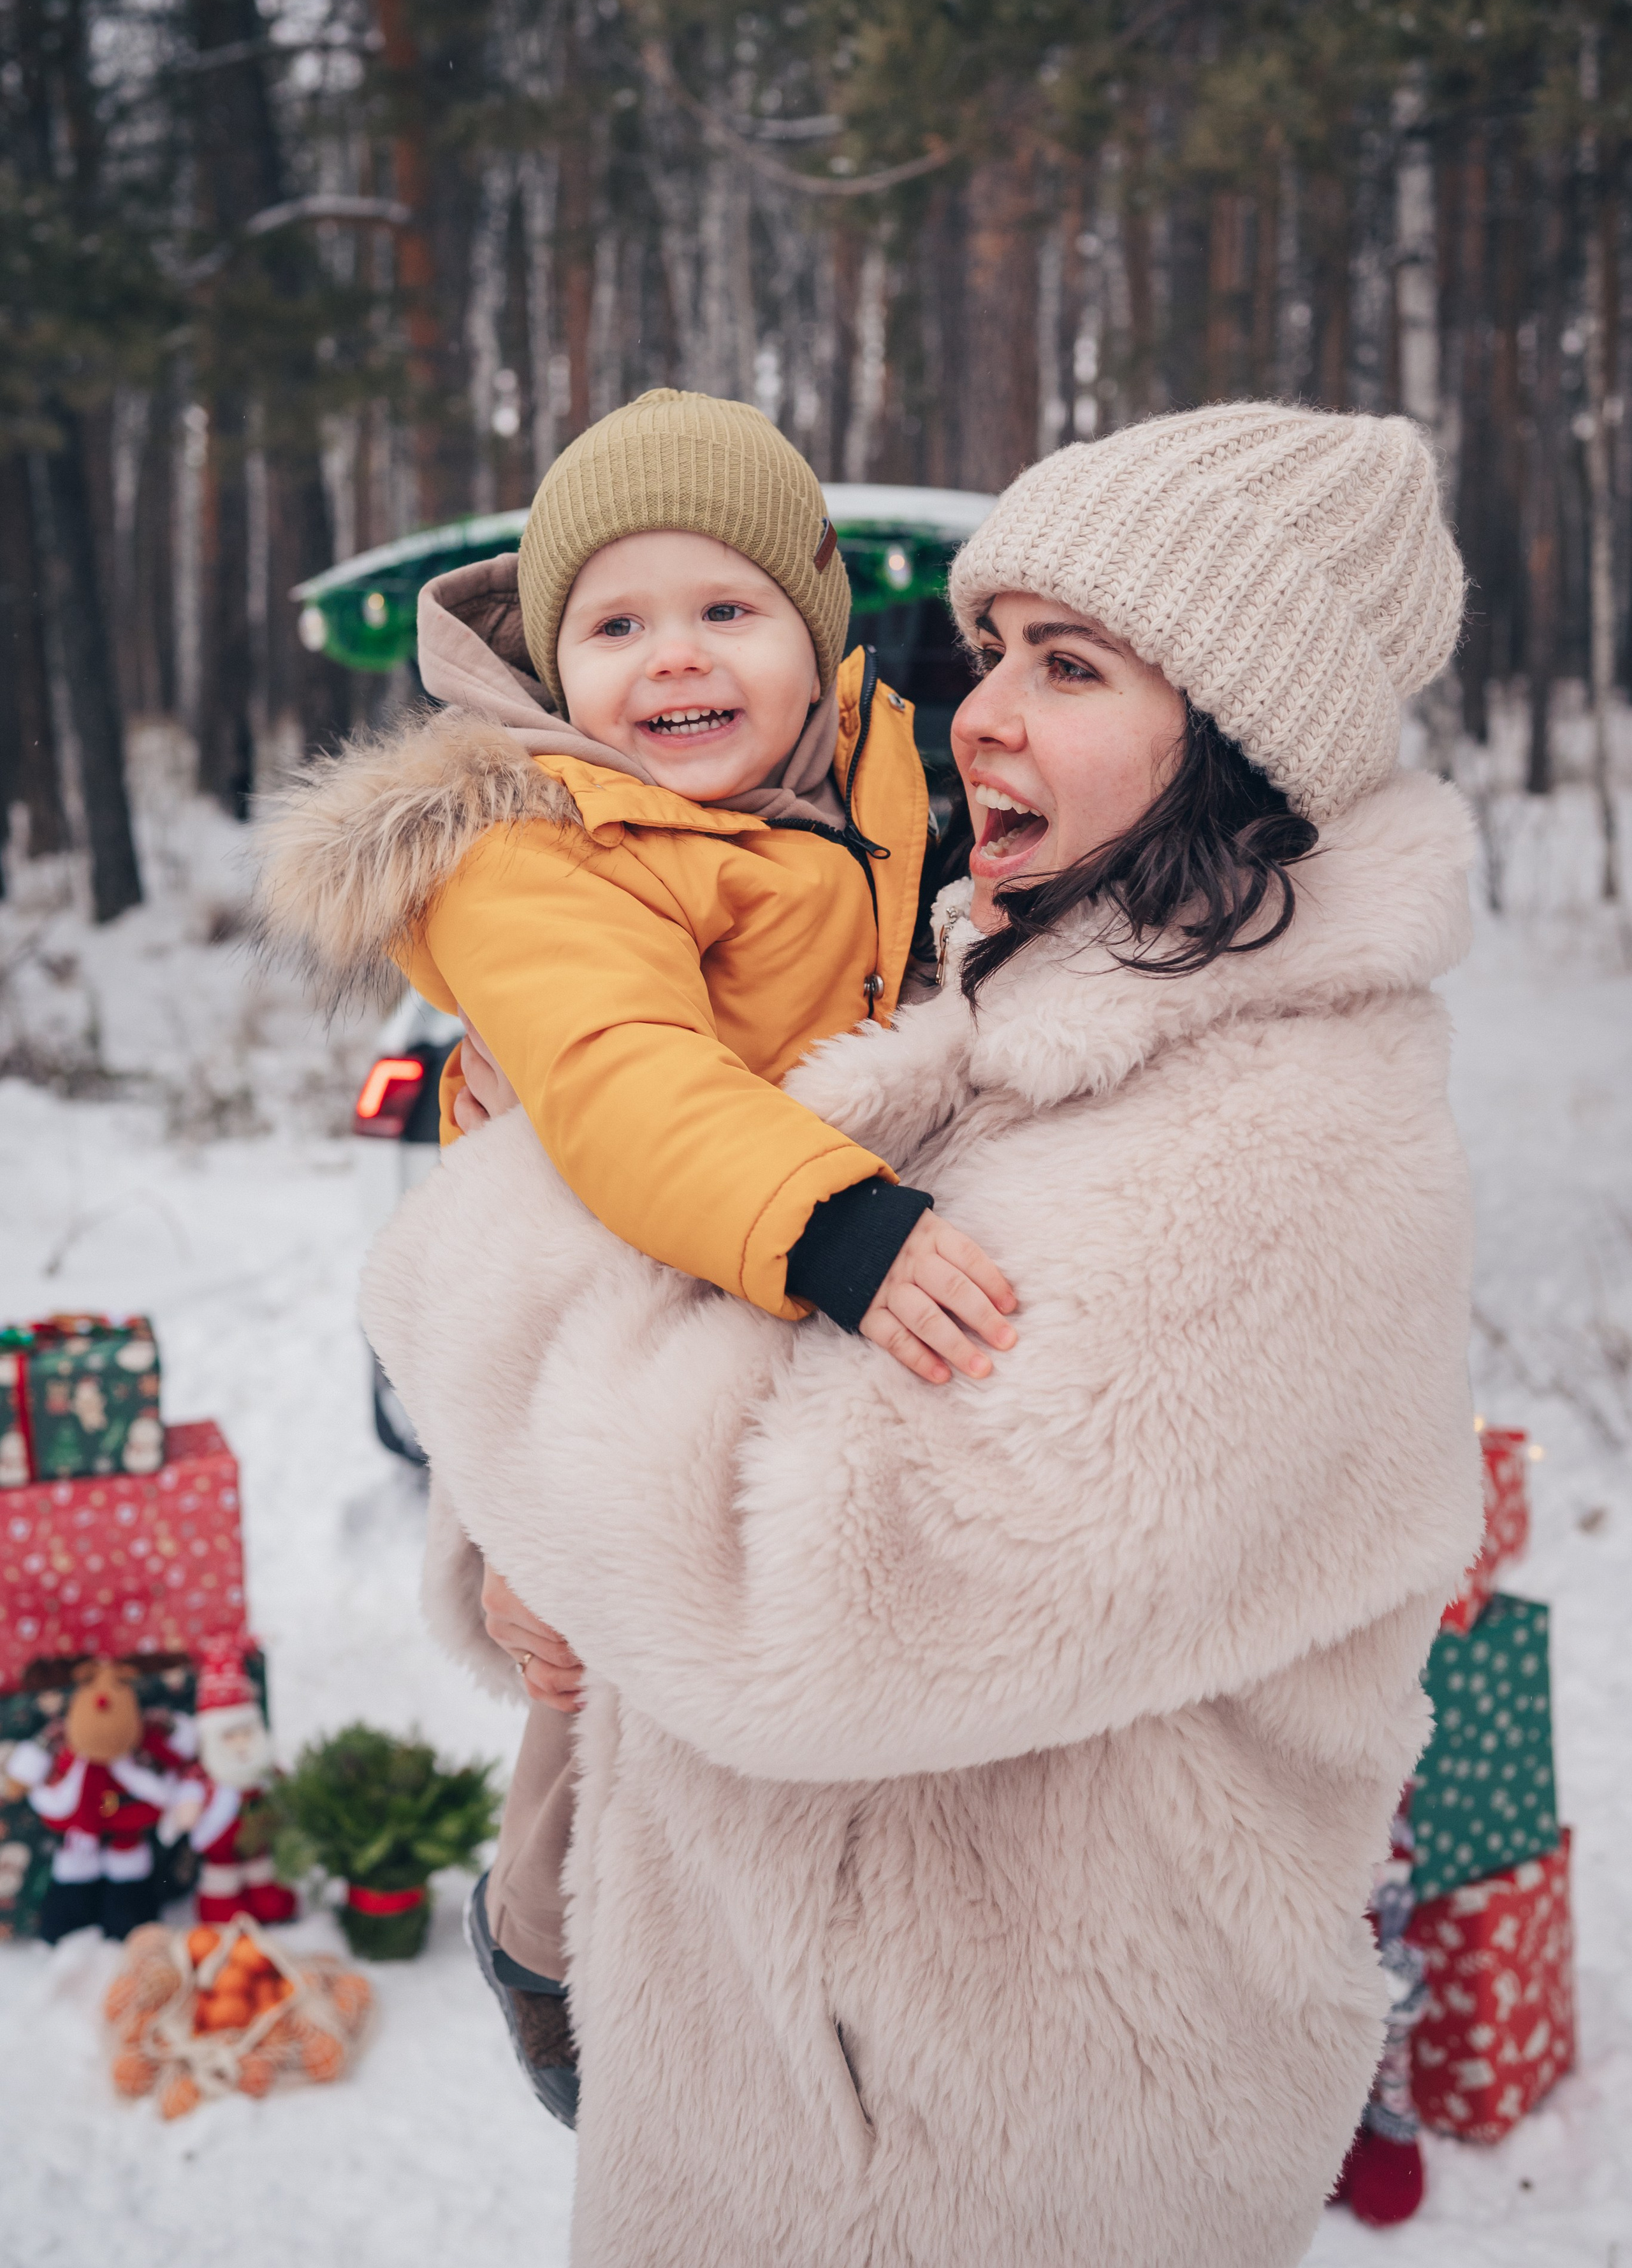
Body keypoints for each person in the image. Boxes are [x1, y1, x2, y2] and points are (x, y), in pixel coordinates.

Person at [366, 400, 1487, 2267]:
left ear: (1233, 725)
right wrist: (504, 1553)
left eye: (1067, 663)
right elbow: (715, 1296)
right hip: (790, 2084)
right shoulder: (1010, 995)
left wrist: (498, 1214)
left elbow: (794, 1594)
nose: (977, 712)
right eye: (987, 653)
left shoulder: (1273, 1136)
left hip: (994, 2152)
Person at [253, 387, 1016, 2118]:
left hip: (753, 1323)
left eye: (726, 609)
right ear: (549, 659)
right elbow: (620, 1077)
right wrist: (838, 1221)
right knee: (585, 1659)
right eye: (617, 623)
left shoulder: (868, 783)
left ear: (815, 642)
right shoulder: (540, 852)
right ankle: (548, 1950)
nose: (674, 657)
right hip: (623, 1305)